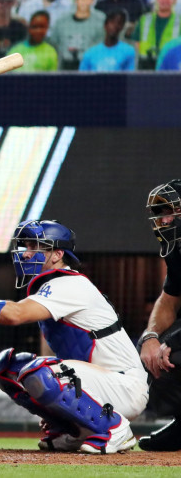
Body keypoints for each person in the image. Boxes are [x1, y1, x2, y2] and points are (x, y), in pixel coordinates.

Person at [0, 219, 148, 453]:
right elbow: (51, 354)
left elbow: (14, 314)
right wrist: (55, 411)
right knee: (9, 368)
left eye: (34, 247)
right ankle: (72, 429)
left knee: (39, 372)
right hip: (98, 383)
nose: (25, 254)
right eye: (25, 246)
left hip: (123, 385)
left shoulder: (69, 284)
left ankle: (114, 428)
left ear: (57, 254)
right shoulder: (50, 288)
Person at [137, 179, 181, 452]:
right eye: (158, 213)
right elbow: (168, 300)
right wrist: (151, 337)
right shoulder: (177, 251)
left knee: (174, 355)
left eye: (168, 211)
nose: (162, 220)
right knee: (151, 356)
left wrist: (174, 340)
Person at [50, 0, 107, 70]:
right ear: (76, 0)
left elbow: (103, 46)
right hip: (65, 66)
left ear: (92, 0)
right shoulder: (62, 21)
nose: (84, 2)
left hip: (90, 66)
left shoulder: (100, 20)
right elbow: (54, 43)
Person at [132, 0, 179, 70]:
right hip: (145, 66)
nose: (165, 0)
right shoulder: (144, 19)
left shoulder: (179, 21)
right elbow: (136, 42)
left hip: (169, 66)